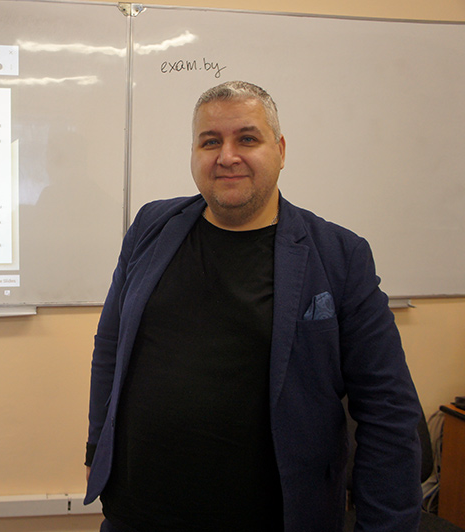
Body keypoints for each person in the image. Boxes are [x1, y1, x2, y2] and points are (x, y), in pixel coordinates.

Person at [84, 81, 422, 531]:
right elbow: (110, 346)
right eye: (210, 142)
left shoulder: (339, 256)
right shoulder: (151, 225)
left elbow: (387, 409)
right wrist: (95, 448)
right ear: (193, 153)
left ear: (280, 150)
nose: (227, 156)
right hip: (137, 514)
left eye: (247, 138)